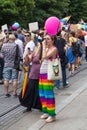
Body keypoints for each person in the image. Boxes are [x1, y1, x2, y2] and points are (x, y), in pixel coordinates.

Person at [39, 34, 57, 123]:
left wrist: (43, 47)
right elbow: (42, 60)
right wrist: (43, 48)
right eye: (45, 39)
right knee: (42, 94)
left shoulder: (54, 49)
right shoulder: (46, 49)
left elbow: (44, 57)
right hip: (42, 73)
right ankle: (46, 111)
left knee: (49, 94)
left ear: (53, 40)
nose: (46, 40)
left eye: (48, 39)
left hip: (48, 74)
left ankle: (52, 115)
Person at [22, 42, 42, 112]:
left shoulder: (44, 52)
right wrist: (27, 55)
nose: (36, 47)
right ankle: (29, 106)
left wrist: (40, 48)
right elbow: (28, 62)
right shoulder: (34, 53)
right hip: (33, 74)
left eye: (37, 46)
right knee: (30, 90)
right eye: (36, 46)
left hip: (42, 74)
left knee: (39, 91)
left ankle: (40, 106)